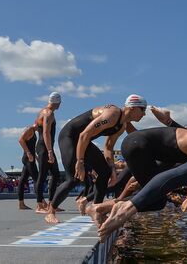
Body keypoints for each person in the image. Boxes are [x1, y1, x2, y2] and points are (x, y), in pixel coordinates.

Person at [45, 94, 147, 224]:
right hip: (70, 137)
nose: (144, 114)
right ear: (133, 108)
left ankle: (96, 209)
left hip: (83, 141)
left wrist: (112, 170)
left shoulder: (121, 126)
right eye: (143, 109)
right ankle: (50, 211)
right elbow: (84, 134)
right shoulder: (112, 114)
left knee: (104, 172)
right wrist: (80, 162)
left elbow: (108, 148)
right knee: (74, 178)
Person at [34, 92, 62, 213]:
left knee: (55, 174)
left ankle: (51, 203)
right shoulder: (48, 113)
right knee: (43, 175)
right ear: (57, 102)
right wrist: (50, 151)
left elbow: (36, 125)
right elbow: (45, 132)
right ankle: (39, 205)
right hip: (44, 147)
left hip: (43, 146)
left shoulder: (42, 111)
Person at [18, 124, 39, 209]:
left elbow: (31, 147)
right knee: (37, 180)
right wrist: (28, 153)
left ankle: (21, 204)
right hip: (28, 159)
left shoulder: (34, 131)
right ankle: (41, 203)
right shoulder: (30, 129)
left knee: (22, 180)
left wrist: (36, 156)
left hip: (30, 158)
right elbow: (20, 140)